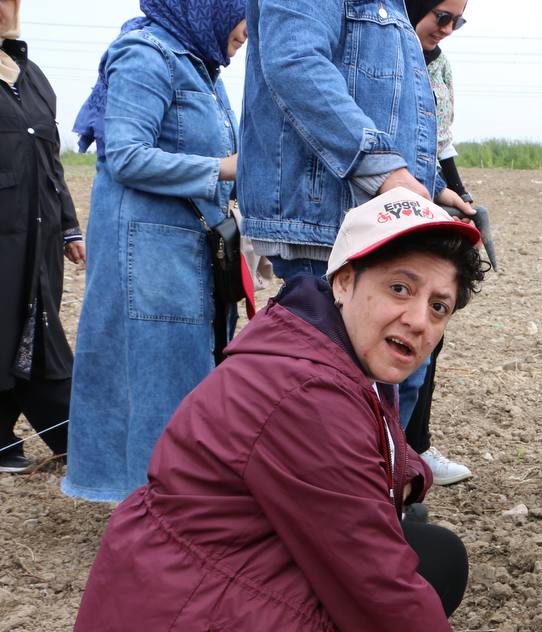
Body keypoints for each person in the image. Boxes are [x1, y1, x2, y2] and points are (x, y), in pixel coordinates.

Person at [70, 188, 523, 632]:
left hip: (173, 594)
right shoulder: (307, 393)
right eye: (400, 287)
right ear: (344, 279)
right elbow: (374, 581)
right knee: (398, 575)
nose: (419, 319)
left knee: (433, 555)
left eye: (439, 306)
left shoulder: (316, 340)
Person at [61, 0, 246, 502]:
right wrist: (225, 169)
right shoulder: (146, 53)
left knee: (185, 380)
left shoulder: (202, 65)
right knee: (155, 383)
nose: (249, 30)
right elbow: (125, 154)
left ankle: (176, 502)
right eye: (244, 12)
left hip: (182, 251)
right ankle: (154, 509)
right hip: (145, 256)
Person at [237, 0, 473, 285]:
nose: (447, 29)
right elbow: (295, 62)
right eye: (443, 17)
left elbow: (384, 108)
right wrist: (384, 171)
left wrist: (431, 187)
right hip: (333, 229)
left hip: (359, 226)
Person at [0, 0, 84, 473]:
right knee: (8, 328)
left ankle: (58, 434)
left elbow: (51, 162)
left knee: (33, 323)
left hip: (41, 234)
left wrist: (68, 224)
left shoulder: (32, 76)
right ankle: (68, 432)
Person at [398, 0, 474, 485]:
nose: (447, 30)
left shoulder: (440, 65)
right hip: (388, 206)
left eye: (457, 22)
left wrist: (459, 193)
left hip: (427, 198)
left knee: (429, 331)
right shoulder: (385, 57)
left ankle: (413, 448)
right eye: (440, 17)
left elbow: (439, 143)